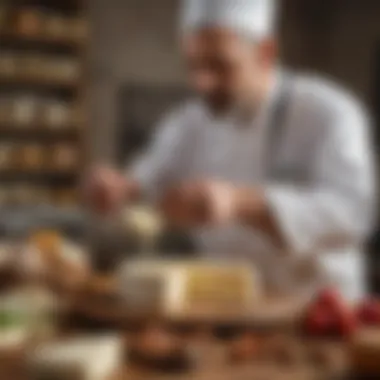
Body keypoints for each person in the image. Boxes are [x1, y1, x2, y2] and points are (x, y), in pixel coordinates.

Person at [84, 0, 375, 301]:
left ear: (265, 52)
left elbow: (354, 213)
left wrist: (239, 202)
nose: (202, 83)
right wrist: (121, 188)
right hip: (225, 307)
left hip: (315, 310)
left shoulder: (330, 112)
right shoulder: (189, 121)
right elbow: (149, 181)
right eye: (193, 65)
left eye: (220, 66)